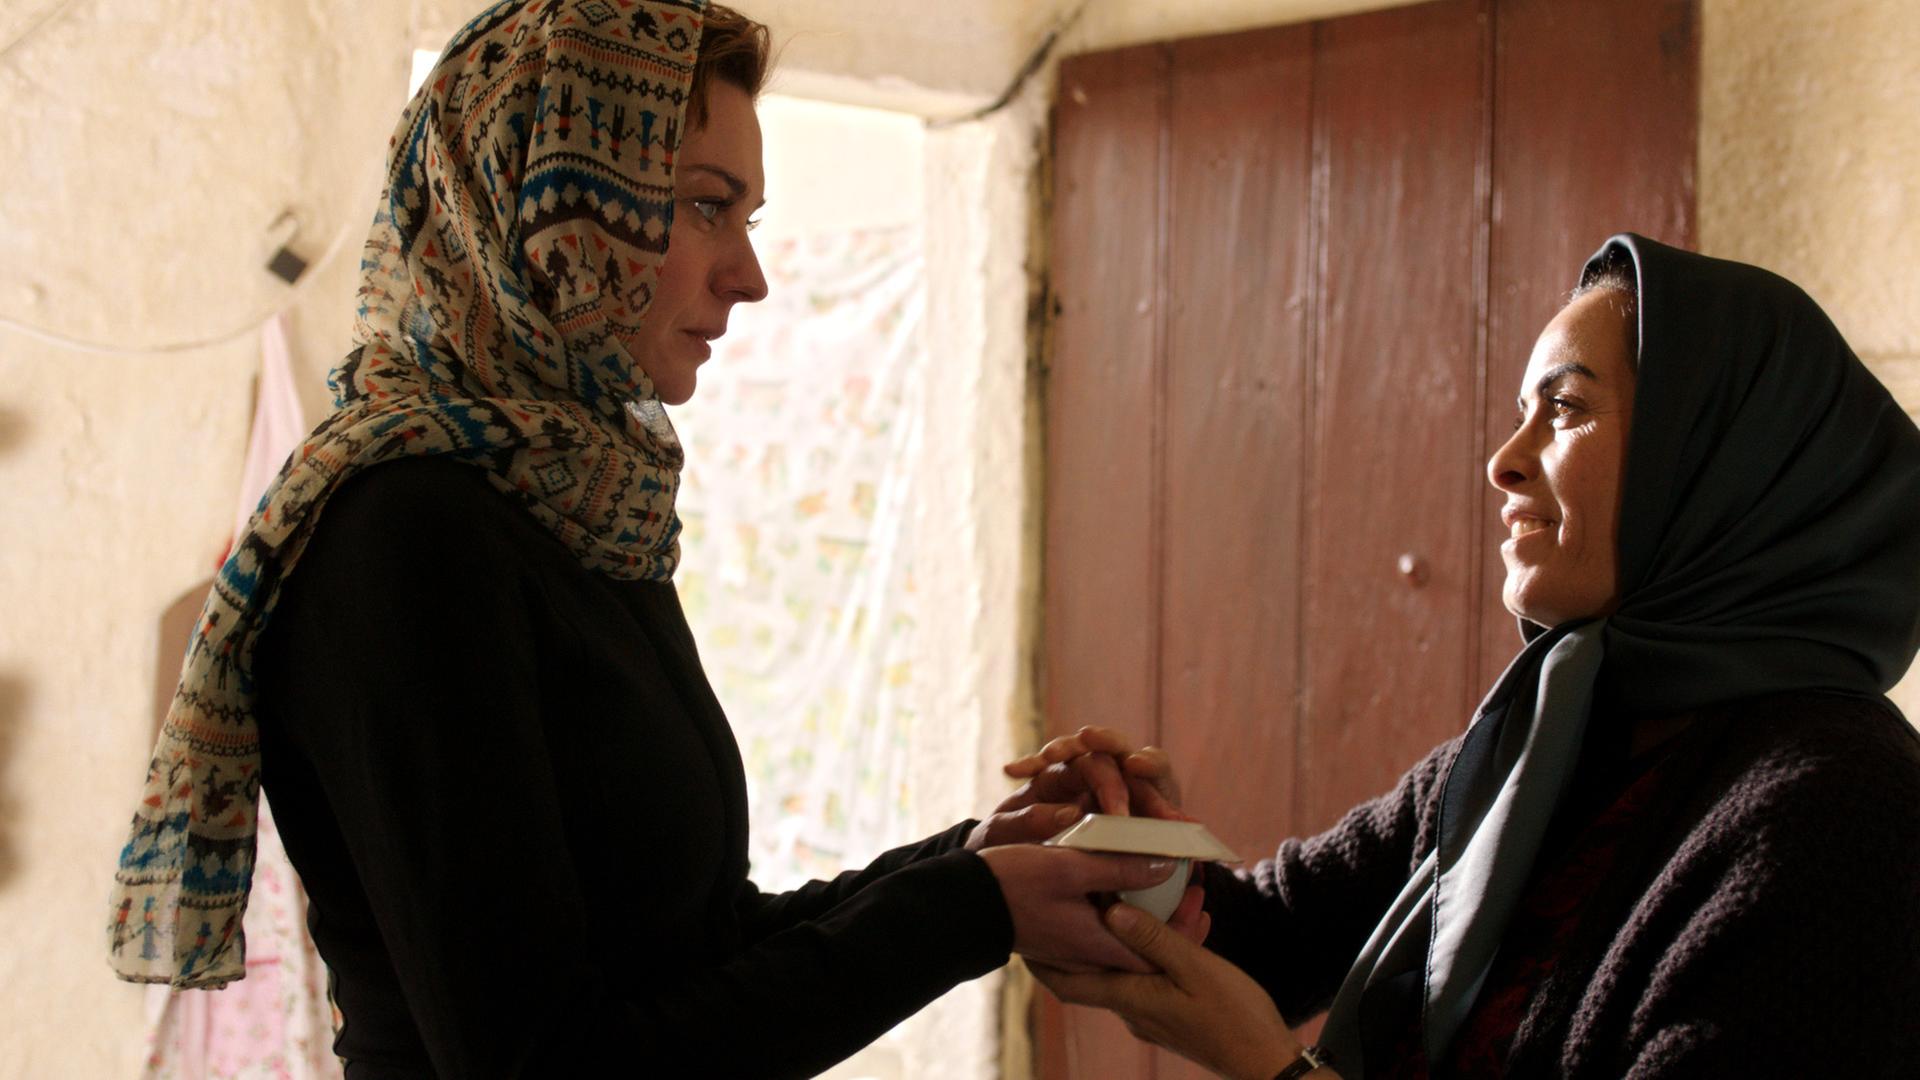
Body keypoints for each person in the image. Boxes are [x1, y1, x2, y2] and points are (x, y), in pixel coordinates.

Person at [106, 3, 1193, 1075]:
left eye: (746, 216)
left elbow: (693, 953)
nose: (749, 276)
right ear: (546, 209)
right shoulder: (404, 536)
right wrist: (967, 910)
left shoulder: (570, 503)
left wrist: (977, 861)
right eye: (705, 205)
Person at [1016, 235, 1920, 1078]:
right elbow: (1272, 940)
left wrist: (1277, 1073)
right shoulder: (1542, 743)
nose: (1505, 462)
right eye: (1523, 413)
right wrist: (1131, 849)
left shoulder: (1841, 814)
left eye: (1565, 409)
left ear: (1720, 462)